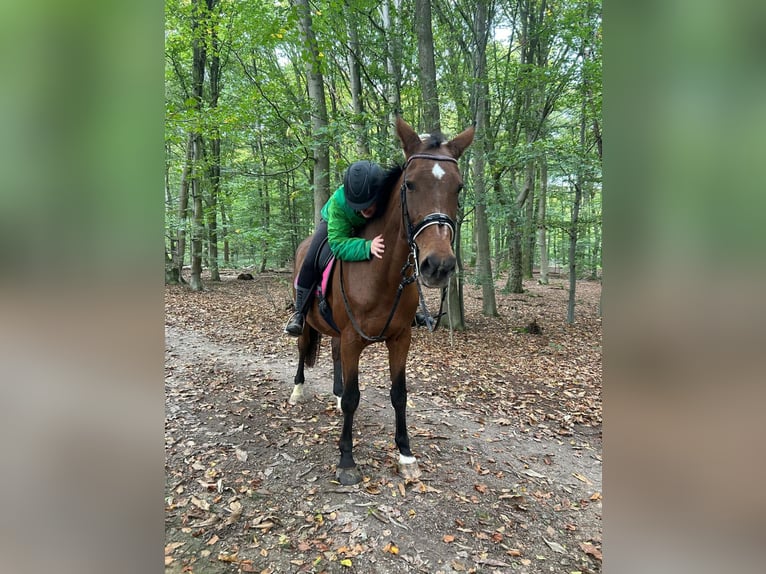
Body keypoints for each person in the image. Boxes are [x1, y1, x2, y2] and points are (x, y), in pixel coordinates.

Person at [284, 160, 387, 336]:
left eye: (368, 203)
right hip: (337, 224)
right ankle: (299, 313)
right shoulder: (339, 204)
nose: (364, 209)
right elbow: (338, 244)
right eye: (359, 205)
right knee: (311, 259)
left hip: (372, 225)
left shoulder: (387, 196)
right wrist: (367, 246)